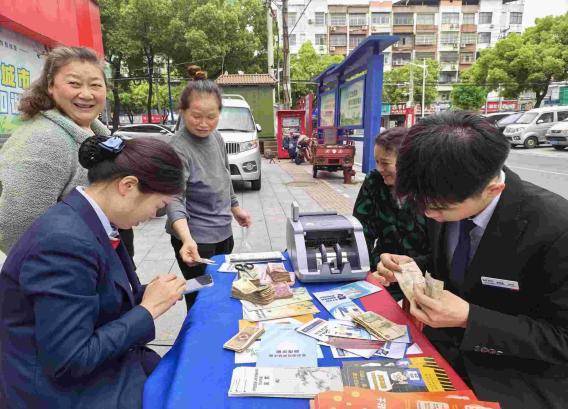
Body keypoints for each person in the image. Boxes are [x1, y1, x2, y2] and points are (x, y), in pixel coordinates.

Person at [376, 111, 568, 409]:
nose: (428, 214)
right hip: (441, 352)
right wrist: (410, 266)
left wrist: (470, 318)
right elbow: (459, 265)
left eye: (439, 208)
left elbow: (561, 339)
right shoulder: (444, 198)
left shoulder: (556, 228)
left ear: (493, 189)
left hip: (514, 377)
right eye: (421, 204)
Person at [0, 135, 187, 408]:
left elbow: (93, 294)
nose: (153, 215)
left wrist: (152, 294)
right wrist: (148, 310)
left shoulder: (90, 219)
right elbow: (70, 360)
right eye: (159, 207)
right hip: (56, 392)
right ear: (128, 186)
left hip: (90, 367)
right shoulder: (64, 242)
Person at [0, 46, 135, 258]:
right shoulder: (44, 140)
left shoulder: (96, 133)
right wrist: (64, 266)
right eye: (74, 84)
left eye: (95, 85)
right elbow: (16, 227)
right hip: (69, 268)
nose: (86, 94)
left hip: (104, 256)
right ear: (50, 86)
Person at [166, 66, 252, 311]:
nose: (204, 124)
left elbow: (224, 175)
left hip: (223, 232)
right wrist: (186, 239)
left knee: (222, 289)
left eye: (211, 117)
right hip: (195, 240)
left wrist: (235, 208)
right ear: (182, 111)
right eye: (196, 116)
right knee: (200, 298)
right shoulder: (177, 148)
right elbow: (174, 199)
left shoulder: (216, 138)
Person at [353, 127, 429, 300]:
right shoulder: (374, 182)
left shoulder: (428, 191)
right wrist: (366, 273)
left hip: (422, 278)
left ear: (407, 163)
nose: (379, 168)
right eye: (376, 162)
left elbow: (442, 251)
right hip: (383, 272)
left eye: (385, 163)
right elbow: (361, 232)